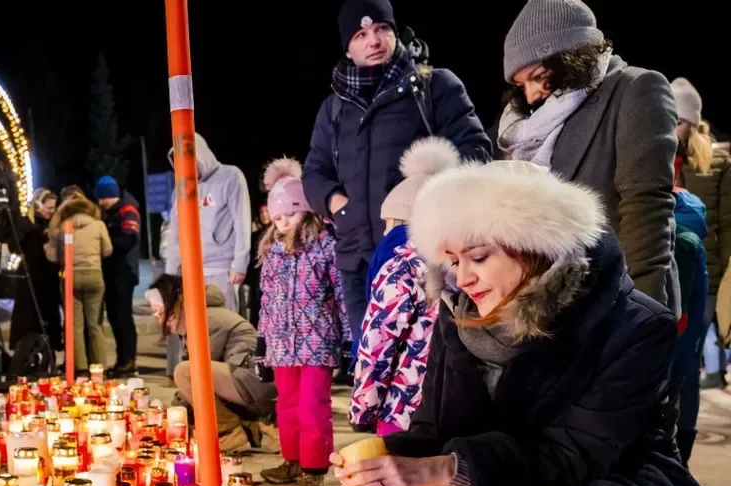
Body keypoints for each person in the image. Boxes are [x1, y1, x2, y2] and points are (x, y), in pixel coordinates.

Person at [333, 159, 717, 486]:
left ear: (534, 245)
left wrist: (447, 469)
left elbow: (574, 454)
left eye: (478, 257)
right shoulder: (463, 319)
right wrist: (388, 460)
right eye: (452, 260)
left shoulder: (630, 324)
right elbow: (434, 428)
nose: (462, 277)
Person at [303, 0, 491, 350]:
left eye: (381, 29)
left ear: (395, 32)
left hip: (423, 259)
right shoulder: (333, 108)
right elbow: (314, 172)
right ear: (348, 46)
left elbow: (476, 149)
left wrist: (428, 196)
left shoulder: (434, 86)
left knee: (428, 366)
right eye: (361, 34)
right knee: (372, 363)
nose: (373, 41)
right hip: (357, 262)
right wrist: (337, 205)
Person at [499, 0, 678, 311]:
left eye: (538, 75)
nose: (529, 95)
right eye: (520, 84)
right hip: (555, 309)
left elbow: (646, 210)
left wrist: (645, 316)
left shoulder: (635, 89)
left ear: (570, 58)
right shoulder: (528, 124)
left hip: (615, 302)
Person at [351, 137, 459, 486]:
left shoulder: (399, 264)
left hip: (400, 398)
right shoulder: (455, 261)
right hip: (439, 393)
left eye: (389, 223)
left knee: (396, 470)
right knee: (420, 473)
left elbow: (377, 341)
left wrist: (365, 400)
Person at [253, 159, 347, 486]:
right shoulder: (273, 251)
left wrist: (349, 341)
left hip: (316, 343)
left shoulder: (324, 245)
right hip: (281, 345)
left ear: (304, 210)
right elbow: (266, 301)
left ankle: (314, 468)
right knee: (287, 405)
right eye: (276, 219)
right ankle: (292, 459)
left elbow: (340, 293)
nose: (282, 224)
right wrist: (262, 344)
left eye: (288, 216)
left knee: (312, 406)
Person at [148, 274, 276, 450]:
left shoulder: (206, 319)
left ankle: (229, 431)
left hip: (256, 382)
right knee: (187, 390)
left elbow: (199, 378)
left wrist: (178, 409)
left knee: (184, 372)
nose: (159, 319)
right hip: (246, 382)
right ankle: (250, 428)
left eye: (160, 311)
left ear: (172, 305)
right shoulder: (196, 319)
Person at [161, 134, 252, 378]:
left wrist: (239, 263)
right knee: (192, 333)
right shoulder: (183, 187)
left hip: (222, 269)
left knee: (225, 329)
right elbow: (175, 234)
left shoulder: (231, 176)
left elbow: (242, 221)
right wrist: (170, 276)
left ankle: (231, 381)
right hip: (191, 272)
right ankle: (198, 384)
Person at [671, 77, 731, 389]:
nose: (673, 127)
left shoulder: (719, 162)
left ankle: (685, 428)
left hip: (707, 268)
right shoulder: (661, 153)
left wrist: (724, 278)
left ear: (692, 121)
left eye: (679, 120)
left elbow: (726, 222)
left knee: (691, 345)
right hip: (670, 264)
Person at [45, 194, 112, 376]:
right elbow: (108, 250)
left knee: (75, 326)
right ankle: (99, 368)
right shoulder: (98, 225)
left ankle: (81, 369)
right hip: (95, 275)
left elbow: (54, 257)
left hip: (71, 278)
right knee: (95, 325)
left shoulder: (63, 229)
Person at [672, 185, 707, 465]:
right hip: (699, 298)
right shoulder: (692, 217)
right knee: (688, 374)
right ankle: (681, 459)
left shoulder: (678, 236)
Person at [96, 176, 142, 377]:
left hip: (124, 272)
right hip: (113, 272)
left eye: (101, 197)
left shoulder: (127, 211)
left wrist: (105, 244)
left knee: (122, 317)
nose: (98, 202)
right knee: (115, 317)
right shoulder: (110, 213)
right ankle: (122, 359)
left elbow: (129, 238)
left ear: (107, 196)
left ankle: (128, 360)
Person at [9, 188, 63, 352]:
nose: (51, 211)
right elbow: (14, 246)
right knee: (27, 314)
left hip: (49, 276)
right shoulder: (25, 223)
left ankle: (50, 345)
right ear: (38, 205)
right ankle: (25, 347)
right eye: (48, 207)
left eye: (53, 207)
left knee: (49, 313)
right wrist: (32, 231)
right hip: (29, 276)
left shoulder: (53, 224)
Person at [242, 204, 271, 325]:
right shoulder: (254, 236)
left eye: (266, 211)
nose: (264, 215)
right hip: (257, 279)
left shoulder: (280, 234)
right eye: (261, 212)